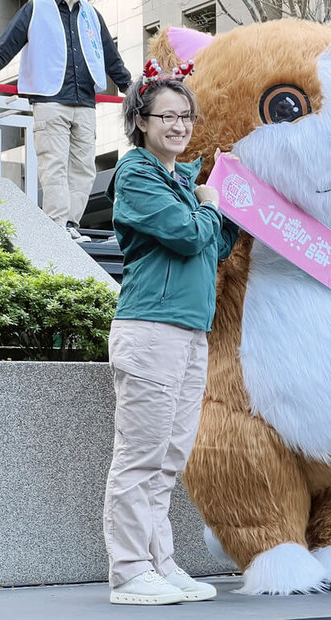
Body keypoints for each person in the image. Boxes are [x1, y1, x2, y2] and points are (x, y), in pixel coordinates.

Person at [102, 66, 238, 605]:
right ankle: (130, 571)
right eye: (168, 116)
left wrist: (219, 206)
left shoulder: (182, 178)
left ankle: (160, 561)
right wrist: (209, 205)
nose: (180, 125)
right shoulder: (135, 173)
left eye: (186, 116)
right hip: (150, 328)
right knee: (140, 456)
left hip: (188, 331)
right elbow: (186, 236)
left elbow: (216, 245)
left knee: (168, 457)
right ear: (140, 120)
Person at [0, 0, 132, 243]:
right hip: (49, 99)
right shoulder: (36, 8)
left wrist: (132, 89)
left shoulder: (91, 14)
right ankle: (57, 225)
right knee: (54, 165)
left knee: (84, 168)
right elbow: (4, 49)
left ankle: (71, 224)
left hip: (84, 101)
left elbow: (111, 58)